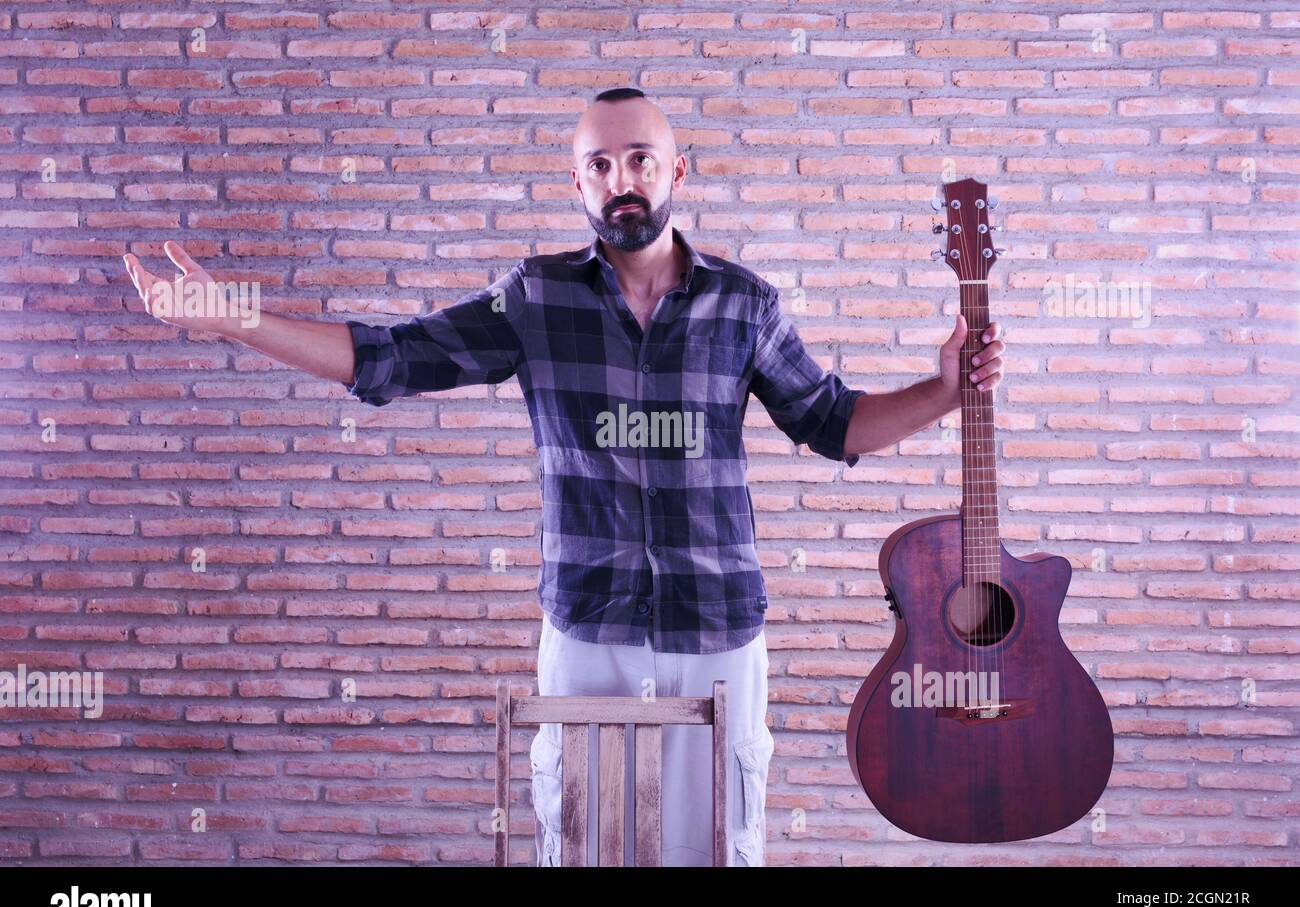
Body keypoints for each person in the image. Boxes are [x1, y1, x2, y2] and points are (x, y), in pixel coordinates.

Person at [122, 86, 1006, 867]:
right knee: (585, 843)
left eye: (640, 159)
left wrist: (943, 387)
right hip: (589, 634)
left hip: (718, 635)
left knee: (719, 848)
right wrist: (231, 319)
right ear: (576, 183)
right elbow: (388, 358)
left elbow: (834, 423)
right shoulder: (534, 300)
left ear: (676, 171)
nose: (622, 178)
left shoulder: (745, 303)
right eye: (600, 164)